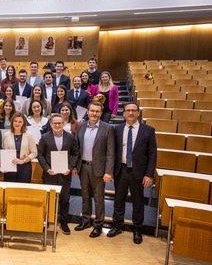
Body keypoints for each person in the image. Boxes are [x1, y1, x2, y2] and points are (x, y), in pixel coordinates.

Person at [108, 102, 157, 245]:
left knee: (138, 202)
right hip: (121, 170)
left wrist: (149, 174)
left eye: (133, 110)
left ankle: (137, 229)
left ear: (138, 113)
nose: (130, 113)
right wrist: (110, 171)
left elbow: (152, 154)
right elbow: (112, 151)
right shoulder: (116, 129)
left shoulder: (148, 130)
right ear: (123, 113)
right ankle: (117, 225)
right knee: (118, 200)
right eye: (128, 110)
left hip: (138, 172)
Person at [73, 102, 115, 238]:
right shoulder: (81, 127)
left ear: (101, 113)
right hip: (83, 166)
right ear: (88, 111)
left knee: (98, 198)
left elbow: (110, 152)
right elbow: (76, 148)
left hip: (99, 169)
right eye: (92, 111)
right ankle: (85, 221)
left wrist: (109, 171)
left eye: (97, 111)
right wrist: (74, 165)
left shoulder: (107, 128)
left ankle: (98, 225)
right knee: (85, 196)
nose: (94, 114)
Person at [37, 114, 79, 235]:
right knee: (48, 199)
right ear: (50, 125)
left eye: (59, 123)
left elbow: (76, 153)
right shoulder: (44, 137)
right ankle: (47, 221)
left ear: (64, 124)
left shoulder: (71, 137)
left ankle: (64, 222)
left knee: (65, 199)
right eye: (54, 123)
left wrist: (70, 168)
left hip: (65, 174)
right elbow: (40, 154)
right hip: (50, 174)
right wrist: (47, 168)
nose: (57, 125)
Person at [2, 112, 37, 183]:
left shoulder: (29, 135)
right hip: (10, 167)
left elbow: (34, 153)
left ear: (23, 123)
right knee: (10, 190)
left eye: (20, 122)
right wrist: (4, 166)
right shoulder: (6, 135)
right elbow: (3, 152)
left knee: (23, 191)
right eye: (15, 121)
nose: (17, 124)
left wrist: (23, 161)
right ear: (12, 122)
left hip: (24, 167)